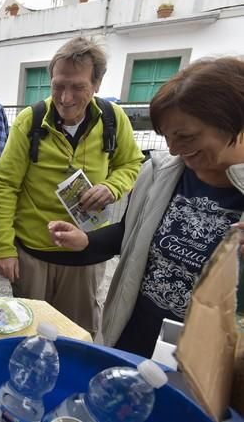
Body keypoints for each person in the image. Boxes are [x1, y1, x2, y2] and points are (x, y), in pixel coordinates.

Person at [48, 57, 244, 357]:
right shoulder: (160, 174)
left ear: (234, 120)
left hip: (208, 361)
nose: (175, 149)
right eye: (167, 137)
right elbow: (131, 231)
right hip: (135, 337)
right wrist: (87, 241)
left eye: (187, 137)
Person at [0, 37, 143, 335]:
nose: (65, 97)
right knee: (30, 331)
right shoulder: (30, 121)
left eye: (77, 87)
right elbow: (6, 185)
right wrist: (4, 248)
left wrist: (113, 186)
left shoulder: (114, 119)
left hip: (86, 251)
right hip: (33, 253)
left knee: (77, 332)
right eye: (58, 85)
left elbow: (132, 164)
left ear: (97, 84)